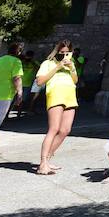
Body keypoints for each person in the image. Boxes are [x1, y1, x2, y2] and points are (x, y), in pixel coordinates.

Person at [36, 40, 79, 175]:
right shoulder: (47, 63)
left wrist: (71, 68)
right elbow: (40, 81)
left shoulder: (70, 64)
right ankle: (43, 163)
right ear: (57, 52)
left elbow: (75, 80)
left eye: (67, 52)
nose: (65, 55)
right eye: (62, 52)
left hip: (70, 95)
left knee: (65, 130)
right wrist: (57, 67)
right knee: (54, 128)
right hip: (56, 94)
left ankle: (48, 159)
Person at [17, 52, 38, 117]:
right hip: (19, 83)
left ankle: (19, 113)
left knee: (23, 100)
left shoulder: (34, 62)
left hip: (28, 84)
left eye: (29, 56)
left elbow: (39, 67)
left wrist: (33, 61)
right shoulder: (22, 62)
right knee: (15, 99)